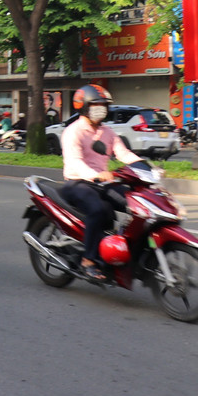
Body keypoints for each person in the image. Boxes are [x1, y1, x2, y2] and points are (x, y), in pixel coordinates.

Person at [61, 84, 141, 282]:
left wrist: (146, 168)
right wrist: (95, 175)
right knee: (99, 210)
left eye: (104, 105)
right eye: (96, 104)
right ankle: (88, 260)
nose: (101, 108)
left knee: (136, 203)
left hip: (103, 182)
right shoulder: (73, 132)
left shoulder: (108, 132)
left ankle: (119, 248)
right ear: (84, 106)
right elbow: (75, 162)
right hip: (78, 182)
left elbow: (123, 153)